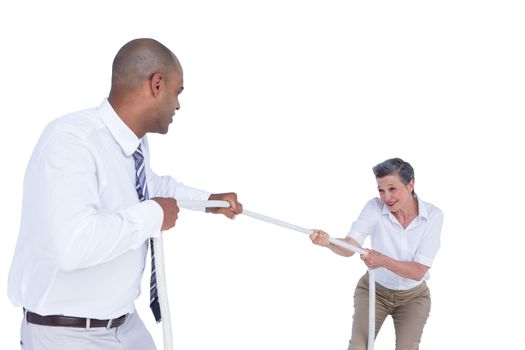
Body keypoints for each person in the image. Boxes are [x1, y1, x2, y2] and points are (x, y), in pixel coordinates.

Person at [7, 38, 243, 350]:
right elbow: (74, 246)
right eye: (178, 91)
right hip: (65, 334)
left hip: (123, 325)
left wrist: (208, 201)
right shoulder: (70, 142)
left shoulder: (133, 145)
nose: (178, 104)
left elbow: (149, 187)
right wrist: (154, 215)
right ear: (157, 84)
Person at [310, 158, 443, 350]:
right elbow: (350, 247)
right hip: (375, 291)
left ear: (410, 184)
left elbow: (418, 272)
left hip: (413, 297)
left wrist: (382, 261)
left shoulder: (433, 216)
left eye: (392, 189)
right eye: (381, 190)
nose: (386, 197)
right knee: (358, 346)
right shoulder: (374, 208)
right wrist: (328, 242)